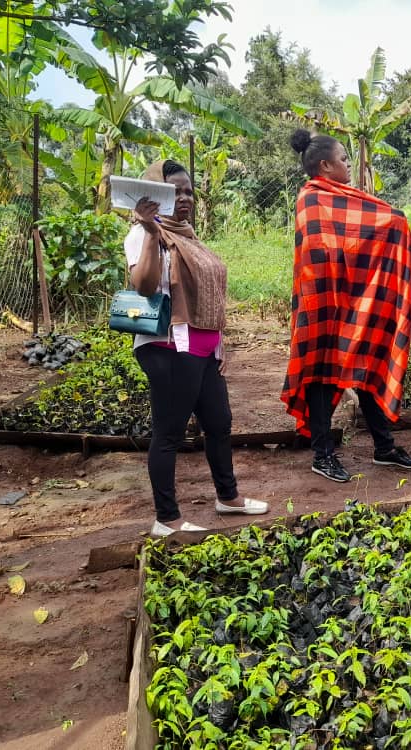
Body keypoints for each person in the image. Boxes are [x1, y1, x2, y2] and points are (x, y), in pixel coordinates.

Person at [126, 159, 267, 536]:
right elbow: (144, 286)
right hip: (168, 346)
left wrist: (220, 345)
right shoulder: (143, 234)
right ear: (155, 193)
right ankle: (166, 518)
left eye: (189, 191)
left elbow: (209, 297)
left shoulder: (188, 236)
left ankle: (228, 497)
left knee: (219, 423)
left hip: (203, 347)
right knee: (169, 433)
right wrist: (150, 231)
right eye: (175, 191)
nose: (185, 198)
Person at [282, 129, 411, 483]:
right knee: (321, 375)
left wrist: (396, 222)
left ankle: (384, 448)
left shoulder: (345, 198)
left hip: (354, 298)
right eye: (344, 159)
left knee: (368, 362)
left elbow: (371, 227)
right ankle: (322, 455)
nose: (348, 164)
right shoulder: (311, 199)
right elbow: (324, 249)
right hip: (322, 303)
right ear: (325, 165)